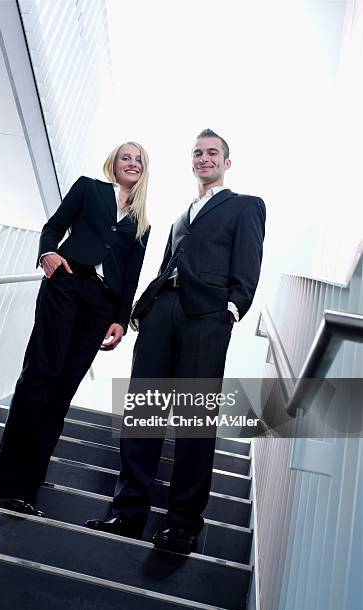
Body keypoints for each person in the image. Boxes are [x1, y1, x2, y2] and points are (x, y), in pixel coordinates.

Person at [86, 129, 266, 554]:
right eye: (197, 153)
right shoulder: (180, 217)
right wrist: (145, 310)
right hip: (162, 312)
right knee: (142, 413)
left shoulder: (245, 206)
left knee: (193, 420)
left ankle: (183, 524)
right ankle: (128, 514)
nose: (204, 158)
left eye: (212, 153)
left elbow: (249, 262)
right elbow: (169, 262)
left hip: (206, 317)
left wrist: (232, 309)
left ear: (227, 161)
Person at [0, 142, 151, 516]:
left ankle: (25, 493)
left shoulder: (142, 223)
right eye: (126, 157)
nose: (133, 163)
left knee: (61, 394)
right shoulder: (88, 188)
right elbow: (55, 225)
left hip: (101, 306)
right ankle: (5, 486)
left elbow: (132, 277)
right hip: (67, 281)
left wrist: (120, 319)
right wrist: (48, 252)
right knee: (40, 377)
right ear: (114, 162)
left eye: (139, 159)